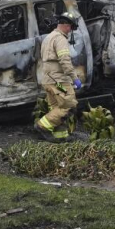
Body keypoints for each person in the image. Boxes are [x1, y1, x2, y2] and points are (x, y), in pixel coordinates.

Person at [35, 12, 82, 142]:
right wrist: (75, 78)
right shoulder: (60, 39)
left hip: (48, 80)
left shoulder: (48, 37)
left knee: (56, 108)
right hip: (58, 82)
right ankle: (42, 126)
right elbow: (65, 61)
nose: (70, 31)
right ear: (67, 25)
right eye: (71, 27)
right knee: (68, 105)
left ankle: (61, 136)